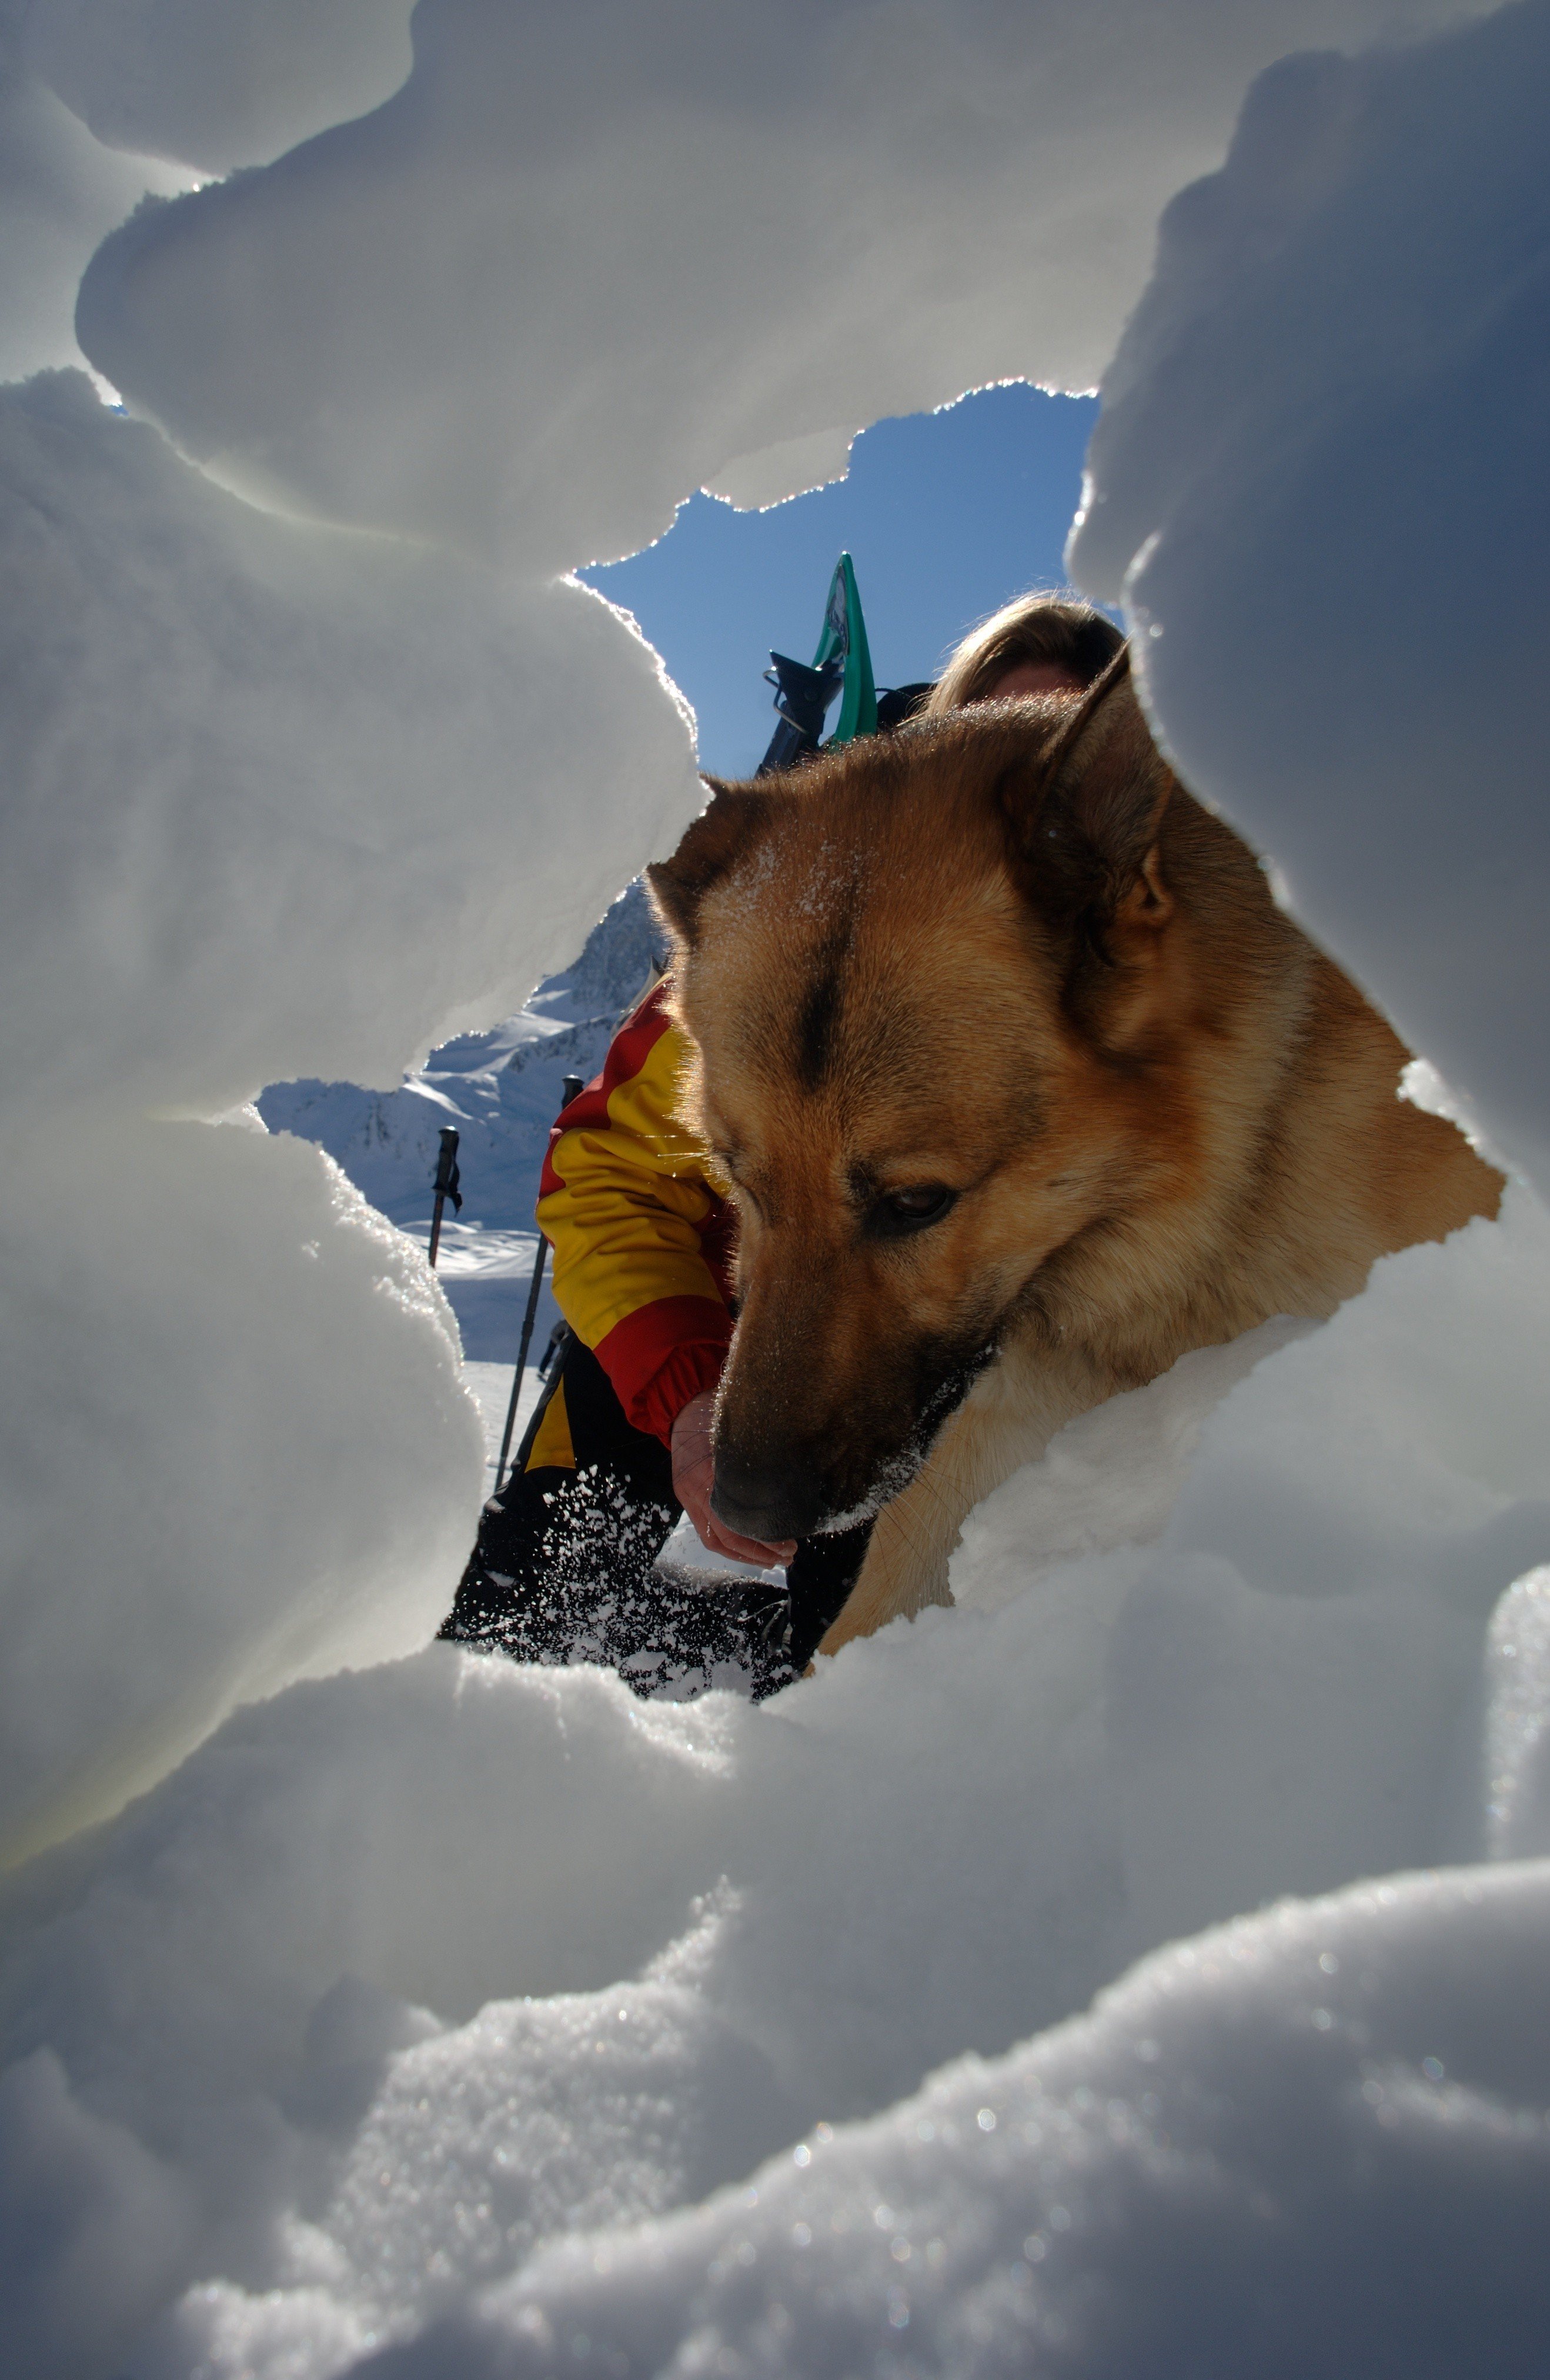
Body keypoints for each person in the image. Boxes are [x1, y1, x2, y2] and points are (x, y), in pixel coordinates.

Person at [440, 593, 1124, 1695]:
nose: (1017, 804)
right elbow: (612, 1175)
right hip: (676, 1397)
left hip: (921, 1443)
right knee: (508, 1659)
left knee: (845, 1718)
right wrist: (694, 1393)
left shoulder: (1129, 995)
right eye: (985, 742)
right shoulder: (783, 937)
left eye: (1056, 761)